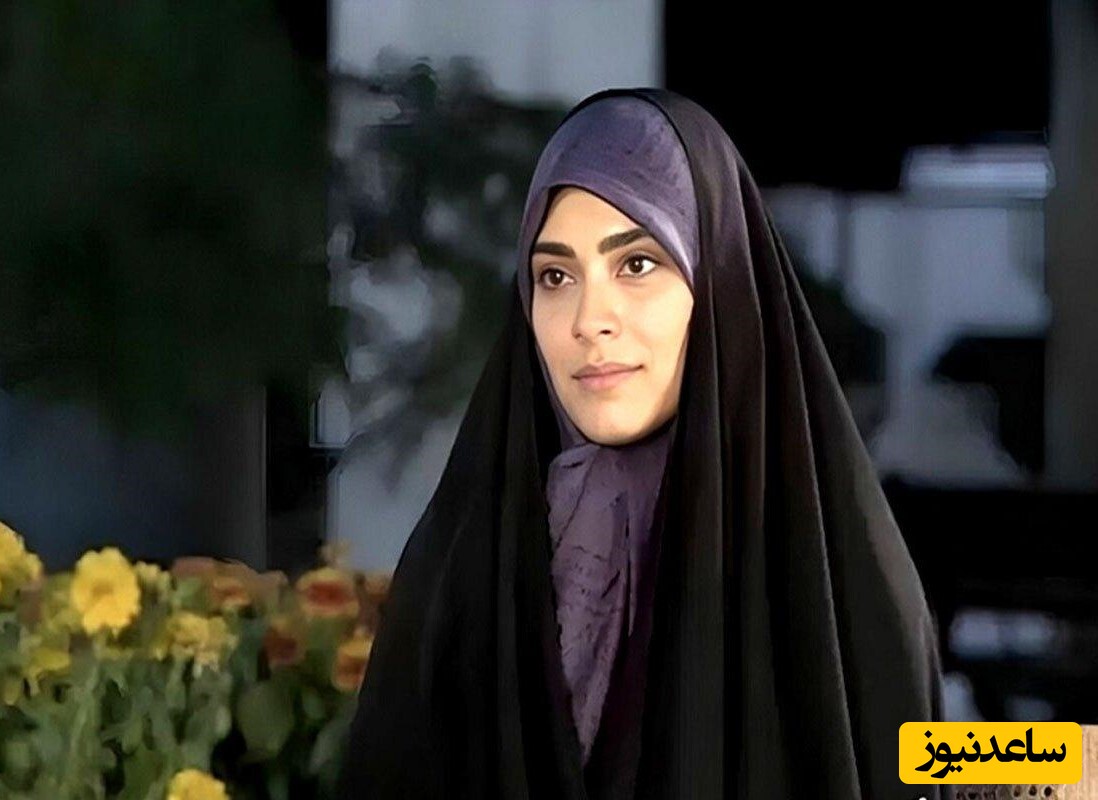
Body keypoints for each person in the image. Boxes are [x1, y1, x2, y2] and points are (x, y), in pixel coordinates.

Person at [338, 87, 944, 800]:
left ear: (718, 280)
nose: (589, 319)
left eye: (636, 264)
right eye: (555, 276)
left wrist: (1053, 768)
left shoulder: (831, 567)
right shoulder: (467, 566)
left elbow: (958, 762)